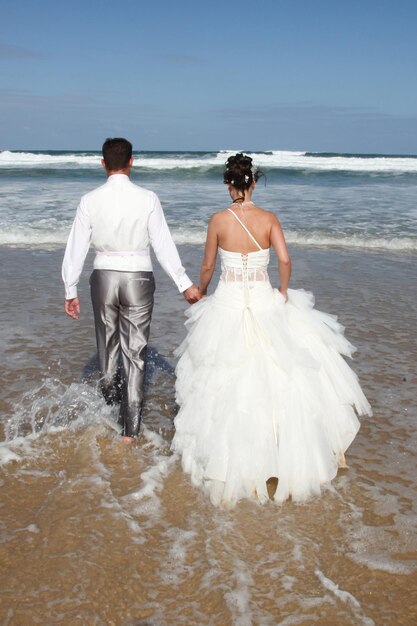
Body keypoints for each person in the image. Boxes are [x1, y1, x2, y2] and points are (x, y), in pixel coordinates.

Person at [172, 153, 372, 506]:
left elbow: (207, 265)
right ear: (253, 183)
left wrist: (200, 291)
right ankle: (283, 456)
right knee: (281, 376)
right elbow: (284, 259)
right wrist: (281, 291)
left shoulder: (218, 220)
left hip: (228, 305)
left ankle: (233, 460)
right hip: (264, 300)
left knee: (227, 381)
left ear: (228, 185)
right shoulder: (268, 219)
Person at [62, 138, 200, 443]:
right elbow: (163, 244)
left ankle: (112, 410)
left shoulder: (90, 199)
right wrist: (184, 283)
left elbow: (76, 247)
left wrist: (70, 288)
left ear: (103, 164)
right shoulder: (148, 198)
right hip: (139, 276)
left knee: (107, 349)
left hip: (104, 277)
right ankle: (130, 431)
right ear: (131, 161)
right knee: (136, 353)